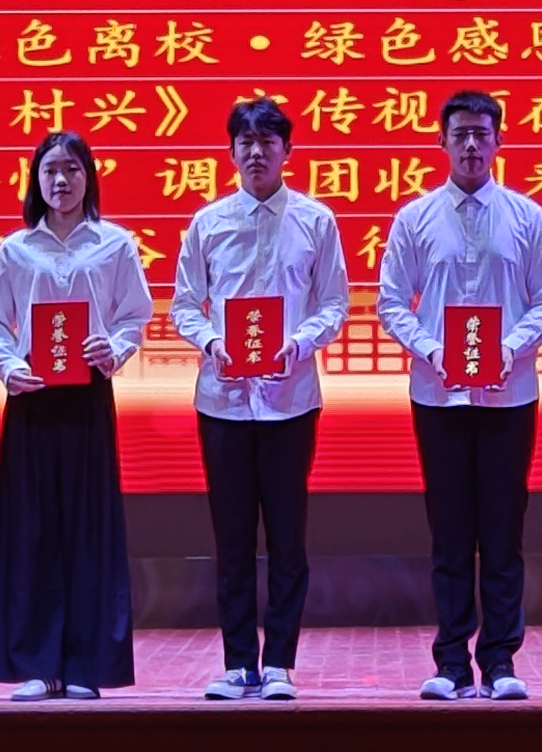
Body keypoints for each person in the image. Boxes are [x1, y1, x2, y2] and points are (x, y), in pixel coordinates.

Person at [373, 88, 542, 701]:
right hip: (438, 395)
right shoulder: (415, 218)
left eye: (482, 133)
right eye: (460, 134)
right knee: (451, 531)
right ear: (442, 141)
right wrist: (431, 349)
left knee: (504, 532)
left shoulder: (528, 217)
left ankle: (501, 660)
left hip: (510, 395)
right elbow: (390, 301)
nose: (472, 144)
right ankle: (452, 662)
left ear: (499, 141)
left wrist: (510, 347)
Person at [172, 98, 349, 702]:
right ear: (231, 152)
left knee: (287, 536)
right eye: (245, 142)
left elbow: (335, 304)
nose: (256, 153)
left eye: (267, 142)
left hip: (290, 398)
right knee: (232, 537)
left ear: (287, 151)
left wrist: (299, 343)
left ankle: (278, 663)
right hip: (222, 400)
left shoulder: (316, 221)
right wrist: (212, 341)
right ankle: (237, 662)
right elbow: (184, 304)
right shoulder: (208, 222)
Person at [0, 132, 153, 701]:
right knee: (32, 531)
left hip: (88, 397)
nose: (61, 180)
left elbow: (135, 315)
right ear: (36, 180)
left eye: (72, 169)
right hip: (32, 397)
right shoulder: (15, 250)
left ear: (88, 177)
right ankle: (37, 663)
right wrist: (8, 365)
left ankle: (83, 665)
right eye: (50, 170)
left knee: (88, 530)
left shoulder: (115, 245)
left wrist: (113, 348)